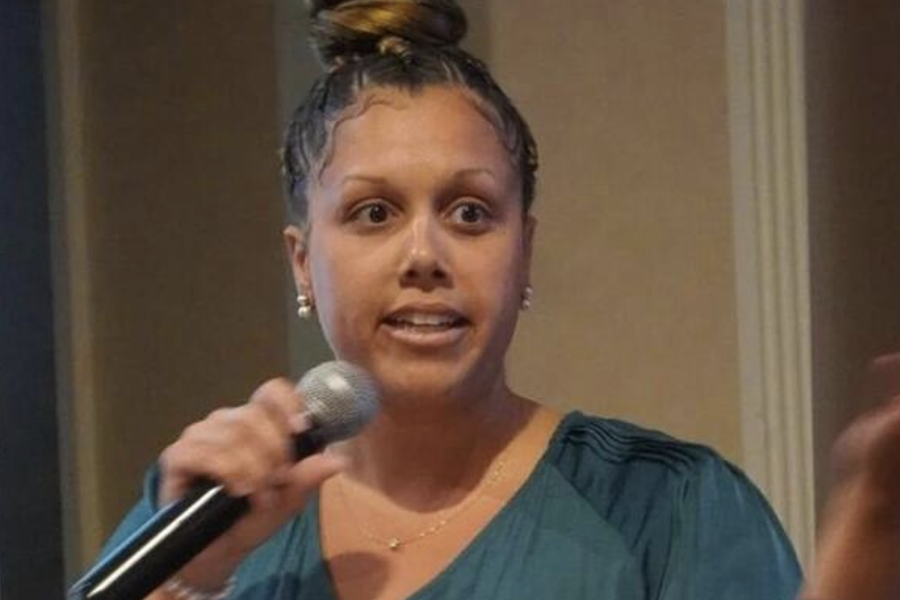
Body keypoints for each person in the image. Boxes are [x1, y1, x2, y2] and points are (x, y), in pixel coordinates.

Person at [94, 2, 900, 600]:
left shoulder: (673, 507)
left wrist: (868, 535)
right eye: (374, 213)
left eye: (470, 213)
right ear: (303, 264)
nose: (424, 257)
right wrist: (193, 577)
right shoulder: (204, 518)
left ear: (524, 253)